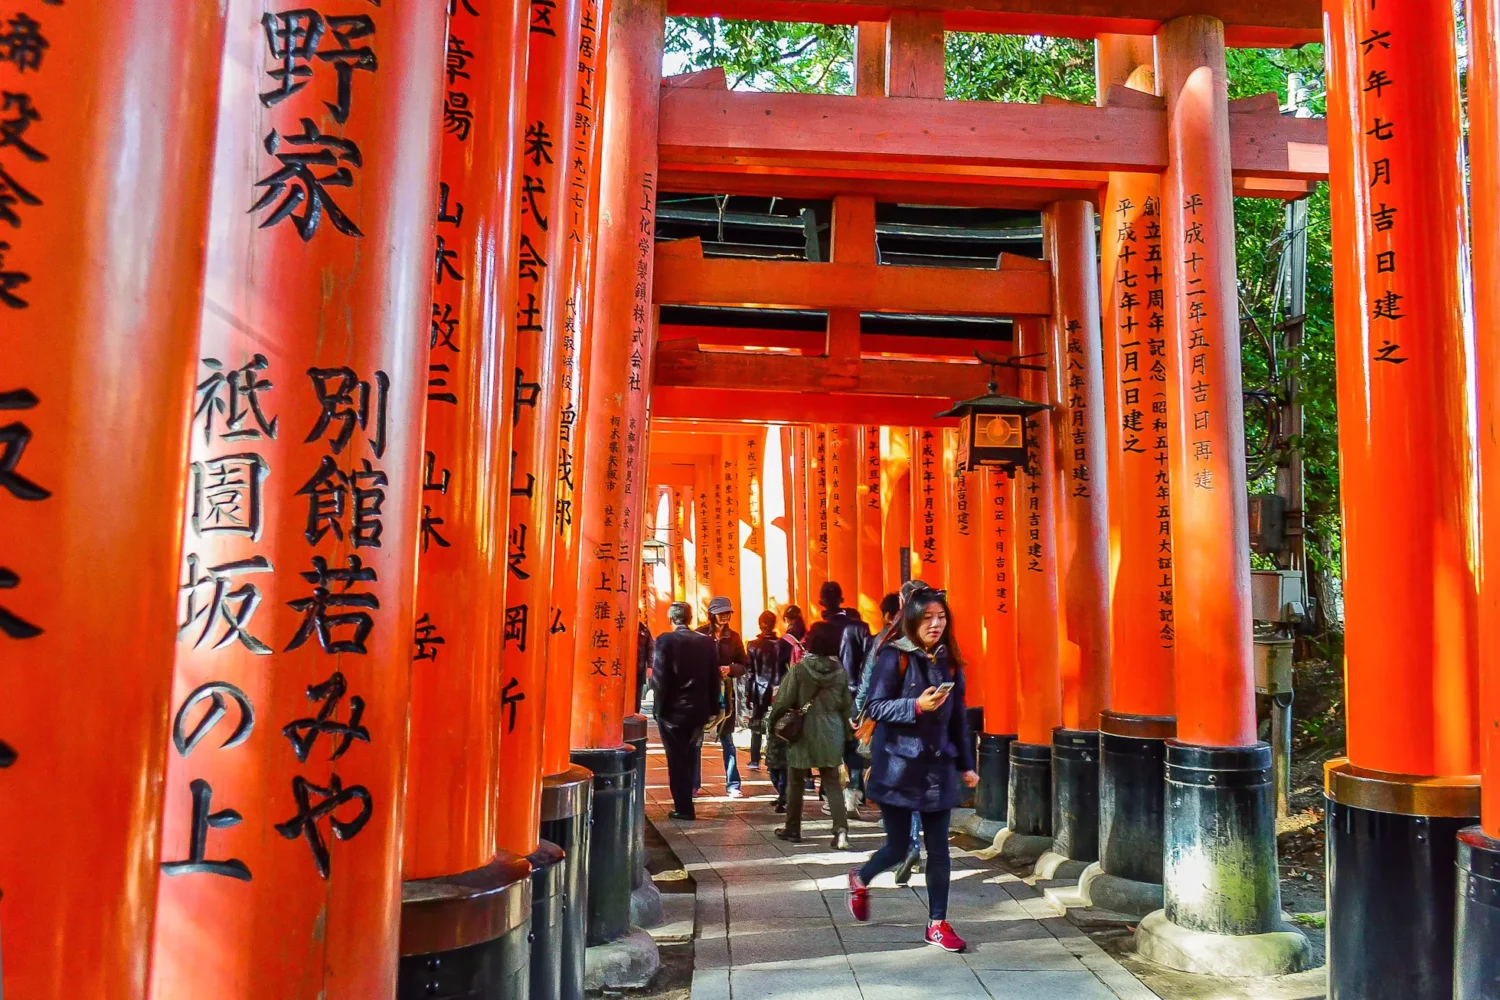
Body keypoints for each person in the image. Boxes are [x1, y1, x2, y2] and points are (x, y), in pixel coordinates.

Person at [846, 587, 978, 953]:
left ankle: (937, 923)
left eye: (942, 618)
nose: (936, 624)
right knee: (898, 846)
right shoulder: (895, 656)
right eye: (928, 618)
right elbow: (876, 706)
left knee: (939, 849)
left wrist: (966, 765)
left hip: (937, 768)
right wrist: (915, 705)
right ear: (912, 621)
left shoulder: (949, 660)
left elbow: (958, 718)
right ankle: (861, 877)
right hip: (899, 768)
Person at [854, 583, 929, 885]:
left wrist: (858, 713)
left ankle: (908, 845)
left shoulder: (889, 638)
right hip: (914, 730)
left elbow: (867, 681)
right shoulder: (918, 638)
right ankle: (912, 843)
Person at [766, 621, 853, 849]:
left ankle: (793, 828)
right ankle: (841, 831)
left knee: (795, 780)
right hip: (832, 729)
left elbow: (783, 701)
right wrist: (847, 734)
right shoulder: (840, 671)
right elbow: (846, 705)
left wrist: (772, 722)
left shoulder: (800, 669)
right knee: (831, 781)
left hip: (803, 730)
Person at [651, 602, 723, 820]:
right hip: (698, 710)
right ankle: (689, 796)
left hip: (673, 712)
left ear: (671, 619)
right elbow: (715, 677)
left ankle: (683, 807)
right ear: (690, 619)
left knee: (676, 759)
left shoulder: (665, 640)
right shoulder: (706, 642)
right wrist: (713, 708)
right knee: (691, 753)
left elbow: (660, 678)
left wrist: (658, 708)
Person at [697, 596, 748, 797]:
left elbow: (744, 664)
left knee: (727, 739)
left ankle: (733, 784)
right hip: (703, 694)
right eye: (721, 613)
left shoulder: (733, 637)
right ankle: (694, 784)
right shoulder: (700, 634)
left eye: (728, 612)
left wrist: (731, 669)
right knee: (696, 740)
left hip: (725, 695)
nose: (725, 616)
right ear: (712, 615)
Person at [745, 610, 790, 770]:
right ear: (774, 624)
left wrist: (748, 693)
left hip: (759, 689)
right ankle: (777, 758)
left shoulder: (752, 645)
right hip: (778, 689)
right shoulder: (783, 645)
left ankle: (755, 759)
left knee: (756, 724)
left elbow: (750, 672)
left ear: (760, 625)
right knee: (778, 723)